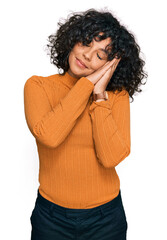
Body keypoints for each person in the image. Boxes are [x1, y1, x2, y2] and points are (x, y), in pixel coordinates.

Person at [24, 8, 147, 240]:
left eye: (101, 55)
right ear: (72, 40)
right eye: (85, 42)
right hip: (51, 218)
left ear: (111, 65)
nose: (88, 56)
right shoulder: (38, 86)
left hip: (106, 218)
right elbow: (49, 136)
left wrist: (99, 94)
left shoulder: (116, 96)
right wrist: (86, 86)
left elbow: (111, 157)